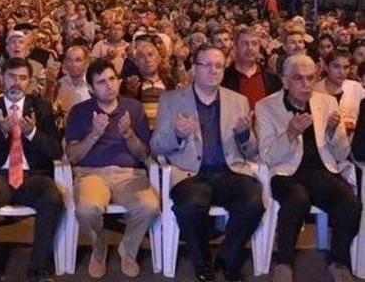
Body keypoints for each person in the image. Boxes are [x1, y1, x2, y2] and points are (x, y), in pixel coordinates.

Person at [150, 45, 264, 282]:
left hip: (230, 172)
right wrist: (178, 134)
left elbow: (252, 150)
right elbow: (157, 145)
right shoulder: (171, 100)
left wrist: (244, 134)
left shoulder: (238, 100)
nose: (214, 70)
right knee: (189, 206)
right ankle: (202, 263)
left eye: (219, 66)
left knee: (253, 203)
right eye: (207, 65)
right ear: (194, 69)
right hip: (190, 174)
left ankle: (228, 260)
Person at [256, 54, 360, 282]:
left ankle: (338, 261)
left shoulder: (327, 102)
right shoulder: (266, 107)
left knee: (351, 203)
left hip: (321, 170)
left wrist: (333, 133)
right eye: (298, 78)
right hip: (285, 173)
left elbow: (341, 154)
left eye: (311, 78)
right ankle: (284, 262)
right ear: (285, 81)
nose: (306, 85)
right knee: (297, 200)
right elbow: (268, 156)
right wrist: (290, 133)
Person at [0, 57, 64, 282]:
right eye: (12, 76)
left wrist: (32, 134)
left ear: (29, 82)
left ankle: (39, 267)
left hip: (33, 177)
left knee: (52, 197)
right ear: (1, 78)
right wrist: (1, 132)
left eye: (23, 78)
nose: (17, 82)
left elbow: (55, 151)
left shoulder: (42, 108)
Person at [65, 59, 157, 278]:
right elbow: (72, 156)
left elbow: (144, 154)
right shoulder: (79, 111)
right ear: (91, 88)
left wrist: (129, 135)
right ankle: (99, 250)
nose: (109, 85)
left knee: (149, 207)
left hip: (129, 174)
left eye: (112, 79)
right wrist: (94, 135)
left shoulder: (133, 108)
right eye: (101, 82)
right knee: (87, 209)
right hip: (91, 174)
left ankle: (128, 250)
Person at [222, 27, 283, 109]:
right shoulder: (223, 78)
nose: (250, 47)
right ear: (235, 47)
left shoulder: (272, 78)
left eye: (254, 44)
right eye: (245, 43)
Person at [315, 50, 365, 129]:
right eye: (336, 66)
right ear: (326, 67)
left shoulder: (356, 87)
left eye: (346, 67)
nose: (341, 72)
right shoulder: (315, 91)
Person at [49, 44, 92, 120]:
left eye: (78, 60)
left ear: (86, 63)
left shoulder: (93, 85)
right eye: (69, 60)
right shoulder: (60, 84)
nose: (73, 64)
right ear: (65, 63)